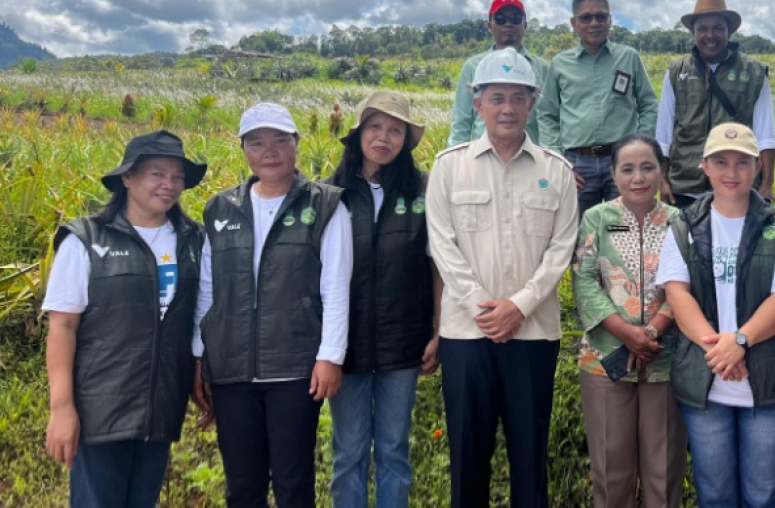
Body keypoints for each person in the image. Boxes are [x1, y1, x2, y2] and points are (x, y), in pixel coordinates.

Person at [426, 47, 578, 508]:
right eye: (496, 98)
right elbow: (442, 246)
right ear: (478, 105)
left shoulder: (557, 171)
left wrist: (519, 306)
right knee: (467, 456)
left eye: (517, 97)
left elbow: (561, 249)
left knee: (530, 457)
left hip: (533, 334)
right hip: (465, 335)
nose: (507, 108)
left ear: (532, 103)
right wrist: (485, 310)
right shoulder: (448, 167)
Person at [192, 103, 353, 508]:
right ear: (243, 149)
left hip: (294, 367)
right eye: (257, 143)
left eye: (280, 140)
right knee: (242, 484)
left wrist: (330, 355)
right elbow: (208, 289)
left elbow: (336, 287)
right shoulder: (220, 209)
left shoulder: (326, 205)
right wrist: (199, 355)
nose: (270, 151)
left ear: (296, 144)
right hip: (231, 368)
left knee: (292, 480)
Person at [43, 130, 207, 508]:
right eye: (157, 173)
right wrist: (61, 408)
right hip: (100, 409)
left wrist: (200, 372)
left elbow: (200, 316)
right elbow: (62, 327)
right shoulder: (86, 240)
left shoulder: (193, 239)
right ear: (127, 178)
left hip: (160, 408)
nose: (169, 184)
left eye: (177, 176)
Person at [657, 122, 775, 508]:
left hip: (767, 383)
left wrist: (740, 341)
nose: (731, 172)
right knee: (715, 494)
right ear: (704, 165)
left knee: (764, 495)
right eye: (721, 161)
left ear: (758, 167)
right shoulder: (683, 226)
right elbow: (677, 294)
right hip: (706, 383)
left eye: (742, 162)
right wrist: (720, 353)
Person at [325, 91, 443, 508]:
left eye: (395, 130)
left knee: (394, 449)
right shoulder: (331, 194)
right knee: (348, 454)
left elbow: (437, 267)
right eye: (375, 127)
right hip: (346, 347)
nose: (384, 137)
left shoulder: (424, 191)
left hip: (404, 344)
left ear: (406, 141)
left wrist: (439, 331)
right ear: (358, 134)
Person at [572, 134, 686, 508]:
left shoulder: (678, 222)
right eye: (628, 169)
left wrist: (651, 332)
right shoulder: (597, 218)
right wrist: (625, 332)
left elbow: (686, 284)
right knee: (611, 471)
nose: (638, 177)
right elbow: (584, 280)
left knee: (663, 470)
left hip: (663, 357)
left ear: (662, 171)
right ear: (613, 174)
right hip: (604, 358)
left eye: (648, 167)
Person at [539, 0, 659, 212]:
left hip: (622, 159)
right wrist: (558, 161)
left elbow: (649, 104)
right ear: (574, 23)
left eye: (601, 16)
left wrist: (640, 146)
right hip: (577, 164)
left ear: (610, 20)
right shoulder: (560, 64)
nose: (594, 23)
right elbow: (547, 114)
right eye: (586, 18)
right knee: (580, 227)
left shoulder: (628, 57)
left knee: (623, 224)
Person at [657, 0, 775, 208]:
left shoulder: (754, 73)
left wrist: (767, 185)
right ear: (694, 32)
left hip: (736, 186)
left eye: (718, 28)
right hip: (684, 188)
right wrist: (662, 180)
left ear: (728, 31)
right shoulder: (677, 72)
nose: (710, 35)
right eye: (702, 29)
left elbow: (766, 135)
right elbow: (664, 135)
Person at [449, 0, 552, 146]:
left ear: (524, 25)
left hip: (529, 155)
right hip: (483, 154)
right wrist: (456, 157)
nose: (508, 24)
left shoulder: (543, 68)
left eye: (515, 18)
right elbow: (461, 121)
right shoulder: (473, 66)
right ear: (490, 25)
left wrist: (548, 156)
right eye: (500, 19)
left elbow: (549, 120)